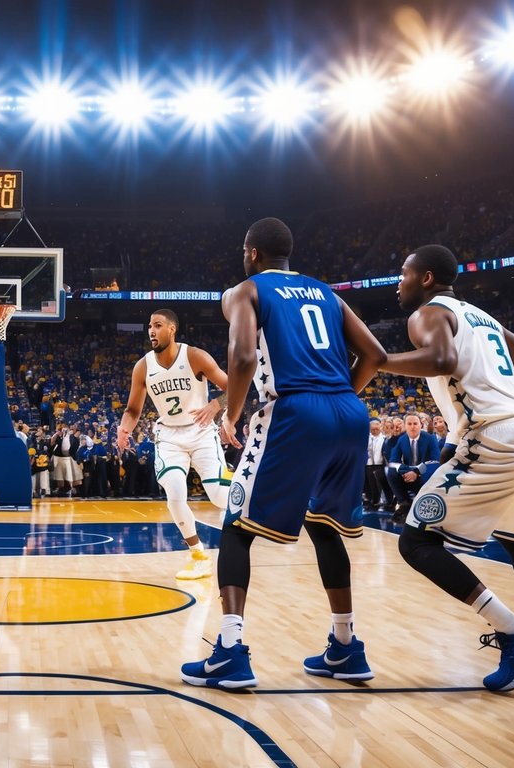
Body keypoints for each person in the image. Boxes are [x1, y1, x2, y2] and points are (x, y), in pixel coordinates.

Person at [376, 244, 514, 692]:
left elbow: (440, 361)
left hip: (499, 438)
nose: (398, 282)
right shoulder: (481, 317)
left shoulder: (428, 314)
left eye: (403, 273)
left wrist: (380, 362)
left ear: (427, 279)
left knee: (416, 541)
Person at [181, 217, 387, 690]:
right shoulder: (328, 294)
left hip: (295, 410)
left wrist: (230, 415)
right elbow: (375, 354)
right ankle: (345, 646)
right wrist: (336, 396)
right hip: (350, 412)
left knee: (234, 527)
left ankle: (230, 652)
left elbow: (244, 357)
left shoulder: (244, 291)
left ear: (251, 252)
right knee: (324, 525)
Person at [116, 309, 230, 580]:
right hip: (168, 436)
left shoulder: (194, 356)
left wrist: (215, 405)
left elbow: (235, 385)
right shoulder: (143, 366)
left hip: (202, 432)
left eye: (157, 325)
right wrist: (123, 429)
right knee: (175, 495)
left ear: (172, 329)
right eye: (149, 326)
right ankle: (199, 555)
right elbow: (133, 410)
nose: (151, 331)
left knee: (217, 495)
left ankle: (248, 491)